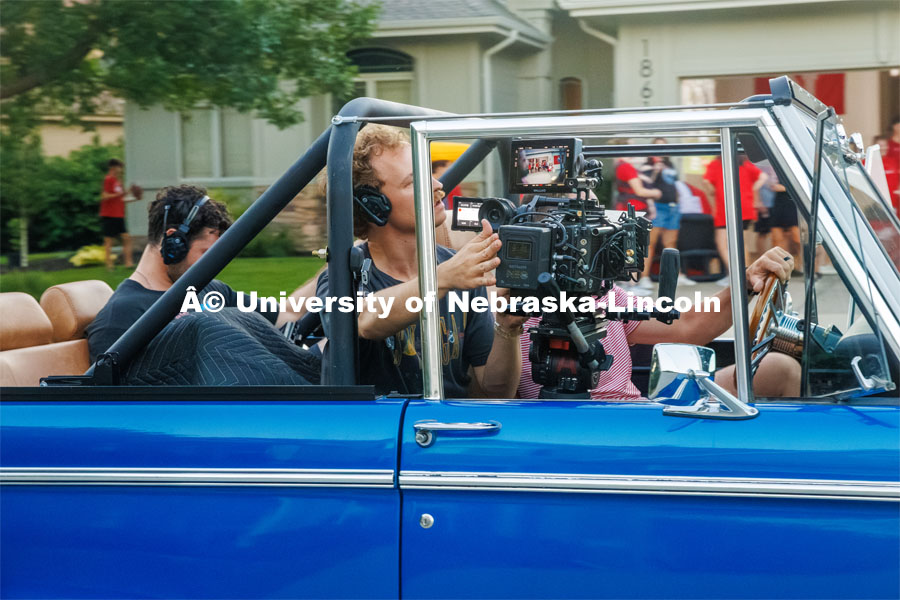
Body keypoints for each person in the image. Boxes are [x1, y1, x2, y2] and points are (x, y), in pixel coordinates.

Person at [316, 124, 526, 398]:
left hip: (450, 433)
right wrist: (443, 279)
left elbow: (493, 394)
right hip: (379, 436)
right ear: (373, 205)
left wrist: (507, 329)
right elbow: (365, 320)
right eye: (414, 182)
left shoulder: (459, 272)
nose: (438, 185)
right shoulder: (342, 277)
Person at [517, 246, 801, 400]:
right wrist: (507, 328)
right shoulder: (511, 311)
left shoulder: (604, 295)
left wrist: (747, 281)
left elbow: (688, 326)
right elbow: (493, 395)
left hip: (636, 414)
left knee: (780, 369)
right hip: (575, 428)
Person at [86, 184, 310, 362]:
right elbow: (119, 402)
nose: (213, 266)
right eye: (206, 253)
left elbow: (288, 313)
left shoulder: (209, 289)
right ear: (173, 241)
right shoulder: (123, 316)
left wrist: (334, 263)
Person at [635, 138, 695, 293]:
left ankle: (678, 275)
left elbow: (674, 185)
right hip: (657, 207)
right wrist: (656, 169)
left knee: (671, 243)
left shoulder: (671, 165)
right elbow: (645, 186)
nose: (661, 151)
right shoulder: (647, 166)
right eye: (657, 147)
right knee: (650, 243)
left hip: (673, 207)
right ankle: (644, 278)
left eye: (664, 147)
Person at [703, 156, 767, 283]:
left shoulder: (716, 164)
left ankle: (735, 276)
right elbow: (763, 177)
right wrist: (752, 188)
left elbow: (706, 182)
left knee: (723, 244)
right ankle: (744, 274)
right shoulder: (745, 164)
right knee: (741, 243)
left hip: (725, 208)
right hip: (745, 207)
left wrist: (714, 191)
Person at [99, 158, 136, 270]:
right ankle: (109, 264)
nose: (121, 170)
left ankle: (128, 263)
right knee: (109, 240)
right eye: (120, 167)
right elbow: (104, 196)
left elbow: (120, 198)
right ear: (113, 168)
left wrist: (134, 198)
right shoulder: (108, 180)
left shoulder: (118, 182)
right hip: (109, 214)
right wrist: (119, 194)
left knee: (127, 238)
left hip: (119, 215)